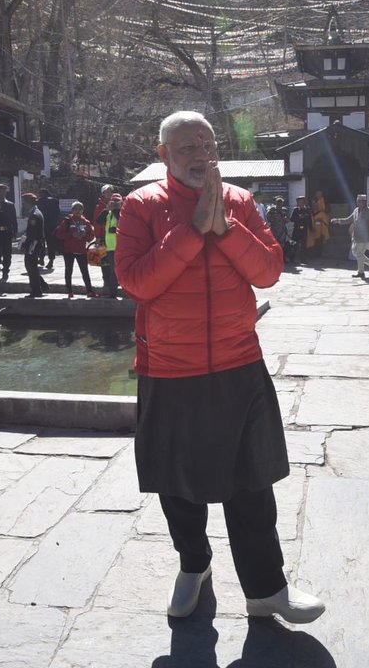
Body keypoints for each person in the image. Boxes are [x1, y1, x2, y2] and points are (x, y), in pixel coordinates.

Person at [115, 110, 323, 625]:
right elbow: (138, 282)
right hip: (169, 366)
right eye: (186, 147)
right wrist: (190, 232)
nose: (200, 155)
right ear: (162, 154)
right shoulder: (141, 207)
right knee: (177, 483)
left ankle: (266, 590)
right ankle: (194, 566)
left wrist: (225, 230)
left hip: (238, 362)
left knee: (252, 482)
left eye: (207, 145)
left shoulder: (241, 203)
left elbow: (270, 271)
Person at [55, 201, 97, 298]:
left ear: (83, 210)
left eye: (80, 209)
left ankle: (90, 291)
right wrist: (71, 235)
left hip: (81, 250)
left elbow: (91, 236)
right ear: (72, 210)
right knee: (68, 271)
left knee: (85, 272)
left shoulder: (86, 222)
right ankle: (69, 292)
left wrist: (84, 235)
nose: (78, 211)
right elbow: (59, 235)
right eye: (76, 209)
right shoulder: (67, 221)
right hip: (68, 251)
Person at [330, 194, 369, 279]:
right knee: (356, 253)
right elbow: (348, 220)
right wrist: (337, 220)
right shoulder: (355, 210)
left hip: (365, 237)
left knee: (358, 253)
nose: (359, 202)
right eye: (358, 200)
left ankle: (361, 272)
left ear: (365, 202)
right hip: (356, 236)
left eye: (361, 201)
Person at [21, 193, 50, 297]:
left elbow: (32, 234)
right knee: (31, 266)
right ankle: (42, 285)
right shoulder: (36, 212)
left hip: (34, 244)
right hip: (36, 243)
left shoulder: (34, 215)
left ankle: (36, 290)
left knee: (30, 266)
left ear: (28, 202)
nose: (23, 205)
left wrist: (25, 245)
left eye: (24, 202)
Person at [0, 184, 18, 283]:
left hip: (7, 232)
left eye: (4, 191)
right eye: (0, 191)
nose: (2, 192)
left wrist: (15, 232)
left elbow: (14, 219)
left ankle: (5, 272)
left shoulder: (10, 204)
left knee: (7, 254)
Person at [96, 193, 123, 298]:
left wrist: (117, 209)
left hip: (121, 247)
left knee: (120, 270)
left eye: (117, 202)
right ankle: (113, 292)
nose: (115, 205)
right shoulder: (108, 213)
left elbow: (122, 223)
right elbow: (99, 221)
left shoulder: (123, 212)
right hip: (110, 247)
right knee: (112, 270)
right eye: (113, 202)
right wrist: (107, 208)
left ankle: (120, 291)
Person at [37, 189, 60, 270]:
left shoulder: (39, 202)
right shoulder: (55, 201)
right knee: (51, 244)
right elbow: (58, 213)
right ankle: (51, 261)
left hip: (42, 225)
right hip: (52, 226)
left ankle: (41, 258)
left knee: (41, 243)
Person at [266, 197, 291, 262]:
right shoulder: (272, 210)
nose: (279, 205)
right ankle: (274, 258)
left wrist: (285, 219)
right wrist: (274, 220)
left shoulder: (284, 210)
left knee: (282, 245)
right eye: (278, 203)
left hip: (282, 230)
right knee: (274, 244)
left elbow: (288, 219)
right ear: (276, 203)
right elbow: (268, 218)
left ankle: (282, 258)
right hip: (274, 230)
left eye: (281, 203)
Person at [289, 196, 312, 265]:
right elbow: (291, 219)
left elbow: (310, 220)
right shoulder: (295, 210)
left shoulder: (307, 210)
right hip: (297, 229)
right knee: (294, 244)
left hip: (304, 229)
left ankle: (303, 259)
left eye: (302, 201)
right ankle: (292, 258)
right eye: (299, 202)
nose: (300, 203)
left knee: (304, 245)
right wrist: (298, 217)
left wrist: (311, 228)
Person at [307, 191, 331, 257]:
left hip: (320, 231)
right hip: (312, 231)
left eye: (316, 205)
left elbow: (326, 222)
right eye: (313, 205)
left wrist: (320, 221)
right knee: (311, 243)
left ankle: (318, 255)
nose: (314, 206)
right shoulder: (310, 213)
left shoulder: (322, 212)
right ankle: (311, 255)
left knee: (318, 243)